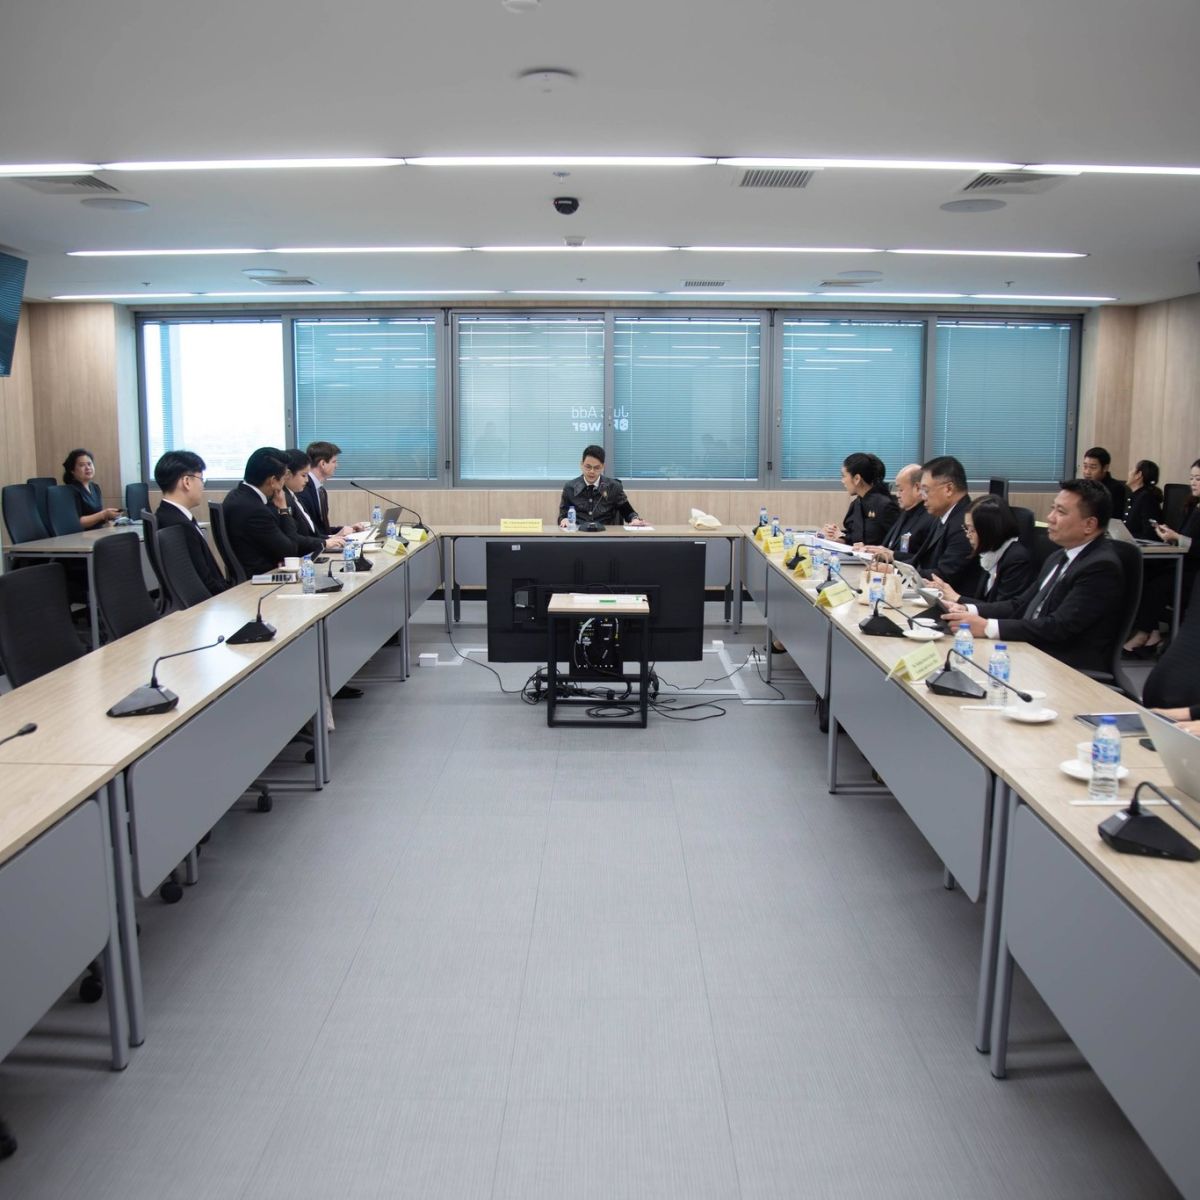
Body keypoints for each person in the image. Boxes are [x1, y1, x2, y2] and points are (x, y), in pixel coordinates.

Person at [941, 479, 1124, 673]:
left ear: (1089, 524)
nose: (1050, 517)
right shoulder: (1058, 556)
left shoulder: (1101, 567)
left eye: (1061, 512)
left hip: (1065, 666)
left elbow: (1059, 626)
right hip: (1031, 649)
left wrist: (987, 627)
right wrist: (968, 609)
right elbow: (1019, 604)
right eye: (1053, 509)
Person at [1126, 457, 1200, 654]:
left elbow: (1193, 543)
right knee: (1147, 576)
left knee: (1158, 585)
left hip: (1194, 571)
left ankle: (1145, 633)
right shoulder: (1193, 505)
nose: (1193, 483)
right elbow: (1186, 538)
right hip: (1184, 563)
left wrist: (1178, 538)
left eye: (1198, 479)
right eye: (1192, 478)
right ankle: (1151, 633)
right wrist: (1170, 536)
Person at [930, 495, 1032, 606]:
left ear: (989, 529)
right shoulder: (988, 553)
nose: (968, 535)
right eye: (966, 528)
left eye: (972, 530)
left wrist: (956, 598)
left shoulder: (1016, 559)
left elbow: (1003, 609)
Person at [153, 450, 230, 597]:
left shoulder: (166, 515)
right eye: (201, 479)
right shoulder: (180, 526)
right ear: (187, 482)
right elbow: (205, 580)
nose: (203, 486)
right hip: (210, 602)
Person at [220, 447, 297, 578]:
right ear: (273, 481)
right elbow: (290, 551)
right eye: (284, 478)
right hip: (261, 578)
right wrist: (284, 510)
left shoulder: (236, 495)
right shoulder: (255, 511)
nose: (284, 484)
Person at [909, 455, 978, 592]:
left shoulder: (965, 524)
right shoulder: (944, 515)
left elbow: (945, 575)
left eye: (926, 490)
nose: (922, 496)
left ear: (949, 489)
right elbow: (921, 558)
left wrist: (898, 572)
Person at [858, 462, 934, 564]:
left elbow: (925, 560)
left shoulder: (929, 518)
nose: (897, 495)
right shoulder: (905, 513)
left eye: (901, 489)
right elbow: (889, 547)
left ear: (917, 488)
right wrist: (870, 549)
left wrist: (893, 555)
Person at [558, 445, 646, 528]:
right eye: (588, 467)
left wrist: (635, 519)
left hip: (606, 535)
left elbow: (628, 512)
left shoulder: (614, 487)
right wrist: (564, 520)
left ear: (603, 467)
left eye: (596, 468)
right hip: (579, 534)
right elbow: (563, 515)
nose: (592, 471)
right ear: (581, 464)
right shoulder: (570, 488)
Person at [821, 452, 898, 545]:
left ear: (857, 478)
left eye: (844, 476)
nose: (842, 481)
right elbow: (855, 538)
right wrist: (837, 535)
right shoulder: (857, 503)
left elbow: (896, 542)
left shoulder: (885, 505)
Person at [297, 441, 368, 538]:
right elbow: (309, 533)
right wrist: (334, 537)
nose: (337, 466)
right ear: (322, 463)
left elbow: (321, 529)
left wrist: (348, 529)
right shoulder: (302, 490)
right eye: (334, 462)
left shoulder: (321, 491)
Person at [280, 449, 345, 557]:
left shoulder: (293, 495)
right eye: (304, 475)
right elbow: (294, 537)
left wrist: (331, 538)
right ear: (288, 475)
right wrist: (324, 542)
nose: (307, 480)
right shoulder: (284, 500)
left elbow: (312, 531)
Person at [62, 448, 120, 529]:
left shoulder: (95, 487)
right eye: (82, 465)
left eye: (89, 464)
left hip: (98, 532)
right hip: (81, 535)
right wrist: (104, 514)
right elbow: (76, 522)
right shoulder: (69, 491)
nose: (88, 468)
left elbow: (97, 516)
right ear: (72, 470)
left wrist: (109, 517)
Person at [1081, 446, 1130, 520]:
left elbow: (1113, 519)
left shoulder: (1116, 489)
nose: (1087, 472)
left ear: (1105, 468)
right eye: (1085, 466)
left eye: (1093, 467)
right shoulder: (1081, 486)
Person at [1122, 459, 1163, 540]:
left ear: (1138, 475)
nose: (1129, 473)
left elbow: (1149, 534)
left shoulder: (1147, 498)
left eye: (1131, 470)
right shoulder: (1136, 496)